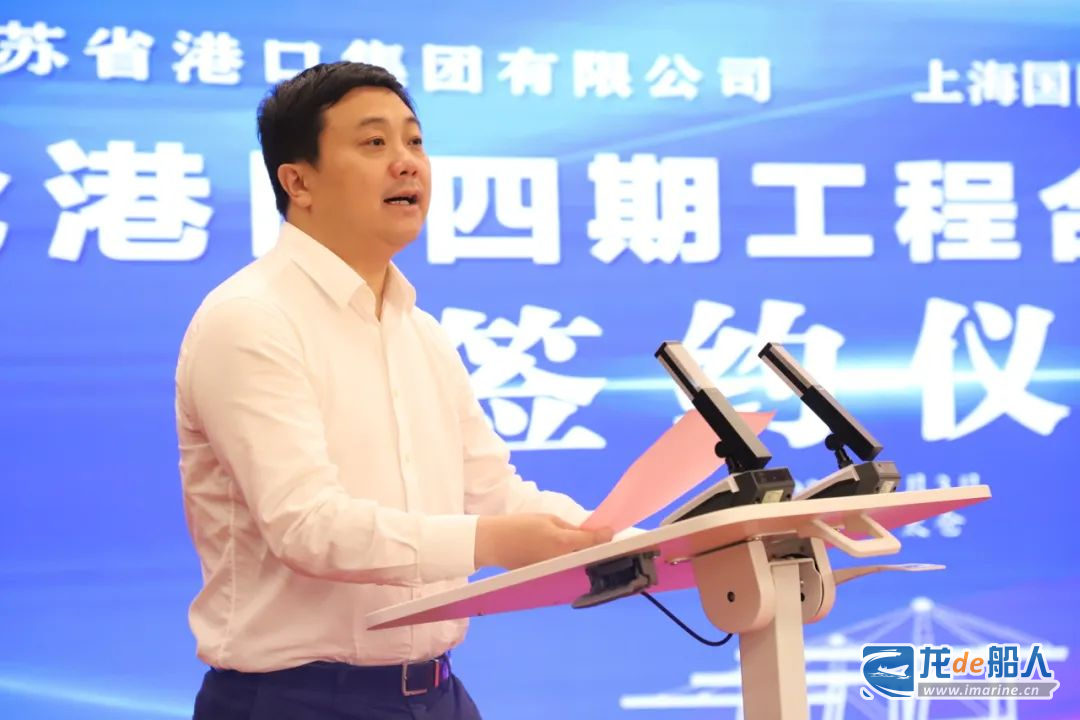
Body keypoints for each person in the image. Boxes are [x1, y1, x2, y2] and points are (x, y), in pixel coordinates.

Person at [174, 61, 615, 719]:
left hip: (436, 694)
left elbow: (492, 493)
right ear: (298, 181)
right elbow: (307, 527)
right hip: (296, 701)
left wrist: (630, 538)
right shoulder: (250, 319)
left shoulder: (419, 331)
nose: (407, 163)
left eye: (414, 140)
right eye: (374, 143)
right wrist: (494, 542)